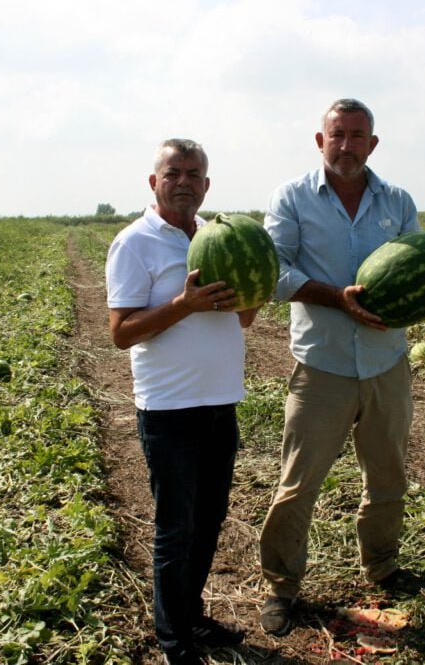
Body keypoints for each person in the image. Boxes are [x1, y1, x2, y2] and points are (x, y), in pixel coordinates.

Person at [257, 99, 425, 636]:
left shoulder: (396, 201)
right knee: (298, 484)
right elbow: (273, 270)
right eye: (338, 135)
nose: (347, 145)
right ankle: (281, 588)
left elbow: (422, 260)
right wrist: (336, 297)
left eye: (358, 136)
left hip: (385, 363)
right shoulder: (293, 197)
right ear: (320, 140)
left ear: (373, 144)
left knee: (388, 476)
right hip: (321, 365)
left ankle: (383, 567)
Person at [106, 138, 256, 665]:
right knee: (175, 527)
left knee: (210, 518)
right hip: (168, 408)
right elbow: (122, 333)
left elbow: (243, 318)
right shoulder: (134, 243)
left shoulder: (217, 240)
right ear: (154, 181)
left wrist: (249, 297)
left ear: (207, 185)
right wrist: (184, 304)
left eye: (195, 173)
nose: (184, 181)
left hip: (222, 400)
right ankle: (173, 641)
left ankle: (190, 614)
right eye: (174, 172)